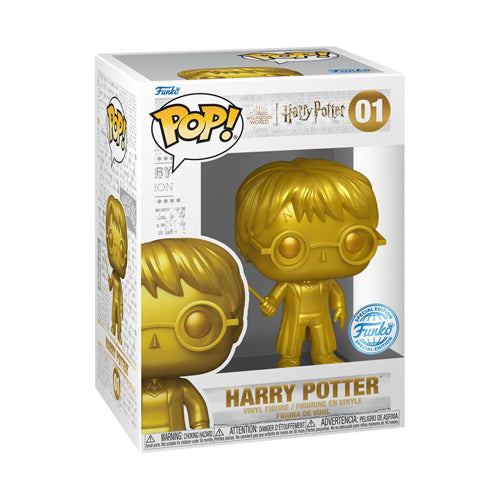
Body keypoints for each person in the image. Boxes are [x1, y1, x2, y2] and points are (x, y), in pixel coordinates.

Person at [235, 158, 385, 368]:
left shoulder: (327, 282)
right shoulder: (288, 284)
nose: (322, 258)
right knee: (291, 338)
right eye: (289, 247)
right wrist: (270, 305)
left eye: (353, 242)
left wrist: (340, 308)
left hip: (321, 316)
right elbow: (274, 299)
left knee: (324, 336)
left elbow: (336, 293)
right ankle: (289, 358)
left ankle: (324, 355)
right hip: (294, 318)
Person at [141, 238, 246, 433]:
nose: (155, 343)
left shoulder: (180, 388)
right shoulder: (131, 387)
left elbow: (196, 408)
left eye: (197, 325)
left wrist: (201, 429)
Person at [105, 195, 128, 344]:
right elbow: (109, 286)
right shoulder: (115, 274)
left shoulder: (118, 276)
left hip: (118, 302)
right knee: (114, 317)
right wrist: (108, 277)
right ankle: (113, 329)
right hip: (115, 301)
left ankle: (118, 334)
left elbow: (116, 290)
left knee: (118, 316)